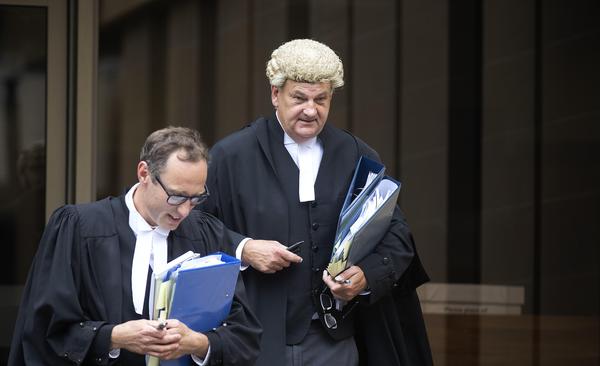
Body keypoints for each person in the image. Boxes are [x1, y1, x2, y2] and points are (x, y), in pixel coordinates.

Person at [199, 39, 433, 365]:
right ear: (274, 94)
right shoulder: (230, 156)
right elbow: (191, 226)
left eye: (321, 99)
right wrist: (244, 248)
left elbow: (395, 233)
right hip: (253, 335)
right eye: (299, 98)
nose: (311, 110)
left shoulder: (356, 154)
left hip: (334, 340)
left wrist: (365, 274)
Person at [9, 127, 262, 365]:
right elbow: (45, 330)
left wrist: (197, 343)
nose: (185, 210)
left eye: (196, 198)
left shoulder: (205, 232)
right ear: (144, 173)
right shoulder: (80, 228)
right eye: (176, 196)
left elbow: (243, 335)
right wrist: (113, 337)